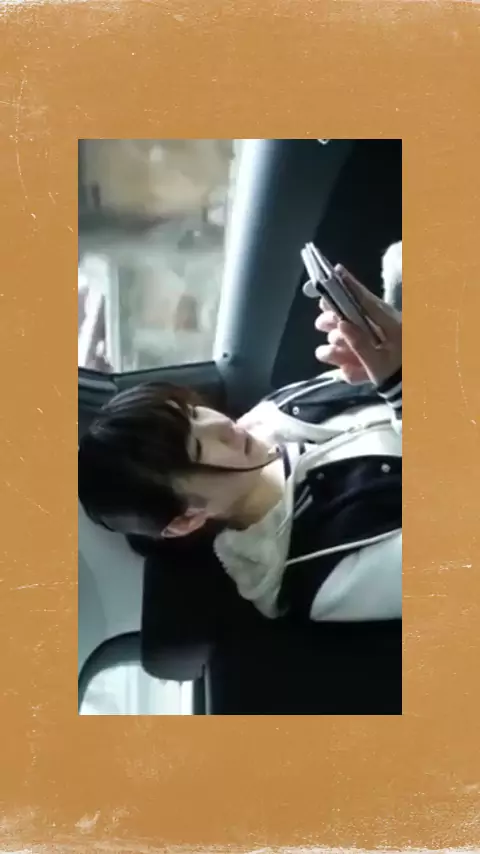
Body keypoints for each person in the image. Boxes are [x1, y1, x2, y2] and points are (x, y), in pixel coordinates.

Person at [79, 250, 402, 624]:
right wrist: (400, 384)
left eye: (194, 413)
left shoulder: (272, 415)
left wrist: (379, 344)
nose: (221, 425)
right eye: (196, 447)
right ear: (187, 520)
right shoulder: (317, 575)